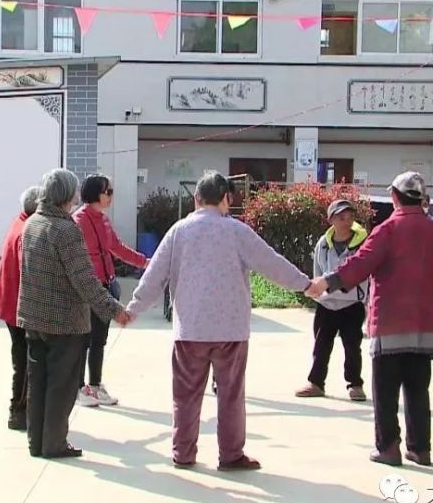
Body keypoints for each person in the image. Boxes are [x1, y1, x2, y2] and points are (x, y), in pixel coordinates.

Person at [126, 172, 311, 471]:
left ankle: (183, 453)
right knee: (230, 396)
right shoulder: (237, 231)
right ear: (227, 198)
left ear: (196, 198)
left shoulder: (178, 231)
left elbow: (154, 276)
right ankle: (231, 455)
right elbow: (271, 263)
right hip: (231, 331)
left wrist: (132, 309)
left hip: (190, 329)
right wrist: (305, 285)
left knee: (186, 396)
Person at [307, 172, 433, 467]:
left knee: (386, 391)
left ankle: (388, 447)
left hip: (389, 322)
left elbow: (360, 264)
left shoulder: (388, 229)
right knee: (418, 389)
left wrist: (326, 282)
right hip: (424, 323)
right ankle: (420, 449)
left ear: (395, 197)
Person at [17, 169, 130, 459]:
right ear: (68, 195)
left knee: (38, 384)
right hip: (64, 322)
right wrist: (115, 311)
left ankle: (36, 442)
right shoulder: (66, 230)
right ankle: (54, 444)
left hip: (34, 317)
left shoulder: (32, 224)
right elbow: (85, 281)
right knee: (61, 388)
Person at [73, 174, 149, 407]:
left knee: (99, 339)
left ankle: (95, 385)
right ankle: (79, 388)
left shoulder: (103, 220)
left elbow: (116, 247)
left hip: (106, 285)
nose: (111, 196)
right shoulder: (78, 220)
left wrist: (144, 262)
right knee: (83, 340)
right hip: (88, 288)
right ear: (95, 193)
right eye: (108, 192)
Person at [295, 199, 368, 401]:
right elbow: (318, 273)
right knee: (321, 346)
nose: (347, 222)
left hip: (351, 304)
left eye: (350, 217)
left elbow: (362, 275)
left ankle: (355, 384)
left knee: (352, 347)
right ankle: (316, 383)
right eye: (341, 218)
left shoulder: (361, 244)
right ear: (331, 220)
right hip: (326, 304)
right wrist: (318, 292)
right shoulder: (323, 243)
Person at [0, 186, 42, 431]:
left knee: (22, 358)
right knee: (24, 362)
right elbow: (28, 270)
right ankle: (18, 411)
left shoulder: (19, 222)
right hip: (17, 306)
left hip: (11, 303)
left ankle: (22, 411)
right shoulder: (27, 230)